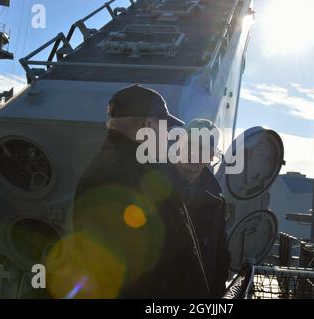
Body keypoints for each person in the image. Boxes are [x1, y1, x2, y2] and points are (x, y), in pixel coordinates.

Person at [66, 84, 209, 299]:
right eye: (164, 128)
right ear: (146, 126)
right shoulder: (117, 175)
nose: (167, 136)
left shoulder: (128, 168)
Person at [169, 119, 231, 298]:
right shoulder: (152, 187)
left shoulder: (217, 202)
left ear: (211, 156)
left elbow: (221, 255)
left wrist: (216, 293)